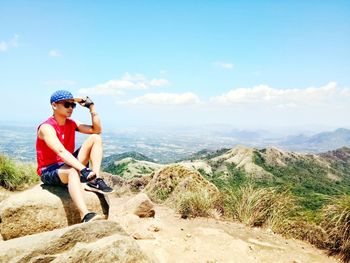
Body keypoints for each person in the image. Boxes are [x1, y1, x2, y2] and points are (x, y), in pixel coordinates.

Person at [36, 90, 113, 223]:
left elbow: (96, 130)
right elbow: (60, 151)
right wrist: (83, 169)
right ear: (54, 105)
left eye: (73, 105)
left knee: (95, 138)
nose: (71, 108)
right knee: (72, 171)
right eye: (67, 104)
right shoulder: (46, 127)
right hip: (49, 170)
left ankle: (95, 180)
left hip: (68, 162)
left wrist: (91, 107)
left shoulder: (71, 123)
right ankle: (85, 215)